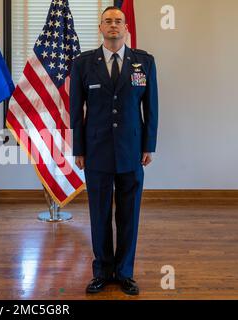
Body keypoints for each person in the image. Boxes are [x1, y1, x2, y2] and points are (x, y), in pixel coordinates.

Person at [70, 6, 158, 295]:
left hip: (132, 150)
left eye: (118, 21)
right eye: (107, 21)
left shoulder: (143, 63)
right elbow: (75, 111)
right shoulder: (83, 64)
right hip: (96, 150)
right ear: (100, 27)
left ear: (126, 28)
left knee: (129, 213)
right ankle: (102, 270)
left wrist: (148, 145)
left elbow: (151, 109)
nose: (113, 26)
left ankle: (125, 272)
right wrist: (79, 148)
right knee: (99, 213)